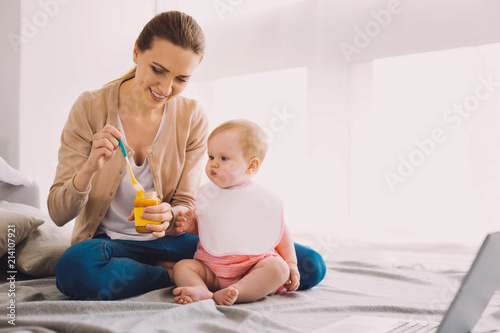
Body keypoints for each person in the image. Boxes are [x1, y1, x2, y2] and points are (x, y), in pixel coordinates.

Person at [49, 11, 326, 301]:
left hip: (181, 243)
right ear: (136, 52)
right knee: (75, 269)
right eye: (157, 70)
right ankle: (174, 275)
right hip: (116, 244)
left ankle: (203, 275)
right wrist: (90, 168)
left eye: (181, 78)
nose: (165, 88)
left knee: (308, 266)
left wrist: (172, 215)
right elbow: (58, 213)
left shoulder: (192, 116)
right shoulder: (89, 108)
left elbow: (186, 203)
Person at [172, 120, 299, 306]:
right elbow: (204, 228)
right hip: (211, 270)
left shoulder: (261, 199)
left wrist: (291, 264)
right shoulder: (208, 196)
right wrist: (191, 225)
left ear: (251, 166)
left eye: (223, 159)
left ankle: (239, 290)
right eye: (211, 157)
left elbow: (280, 233)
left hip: (252, 268)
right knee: (183, 267)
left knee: (278, 269)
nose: (214, 164)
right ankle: (202, 290)